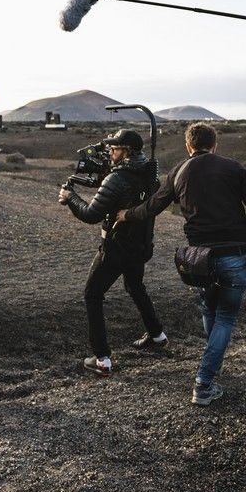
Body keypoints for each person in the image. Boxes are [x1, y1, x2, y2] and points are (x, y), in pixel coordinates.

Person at [117, 122, 246, 406]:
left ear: (188, 146)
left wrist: (126, 215)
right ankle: (204, 383)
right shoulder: (235, 169)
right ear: (215, 144)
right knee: (224, 317)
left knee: (210, 307)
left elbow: (152, 207)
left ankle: (213, 361)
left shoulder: (179, 172)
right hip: (235, 255)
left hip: (200, 260)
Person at [59, 129, 167, 377]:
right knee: (135, 286)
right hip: (140, 246)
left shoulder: (117, 179)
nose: (110, 152)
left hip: (117, 247)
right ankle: (157, 335)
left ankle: (102, 359)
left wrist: (70, 197)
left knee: (92, 294)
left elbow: (90, 214)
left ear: (126, 151)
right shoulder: (150, 175)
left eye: (114, 148)